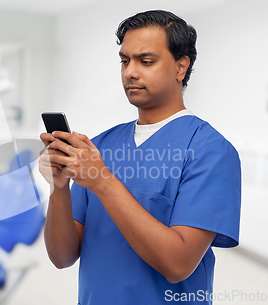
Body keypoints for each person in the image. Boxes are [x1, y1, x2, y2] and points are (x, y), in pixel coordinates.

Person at [39, 10, 241, 305]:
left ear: (180, 67)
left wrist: (103, 181)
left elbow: (178, 265)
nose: (130, 72)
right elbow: (62, 256)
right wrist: (58, 188)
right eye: (124, 60)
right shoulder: (100, 147)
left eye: (146, 61)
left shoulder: (210, 151)